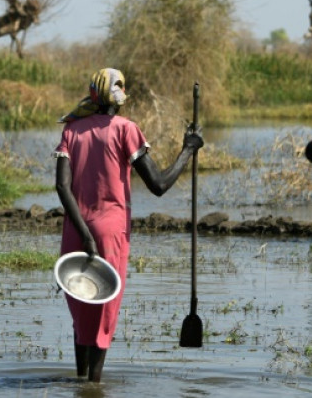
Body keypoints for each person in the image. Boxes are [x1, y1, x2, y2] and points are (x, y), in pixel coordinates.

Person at [54, 68, 203, 382]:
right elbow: (159, 185)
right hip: (110, 233)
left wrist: (83, 234)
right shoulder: (125, 129)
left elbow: (62, 187)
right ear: (119, 97)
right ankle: (93, 388)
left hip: (74, 232)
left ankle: (79, 383)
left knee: (82, 315)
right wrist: (188, 150)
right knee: (103, 317)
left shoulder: (72, 130)